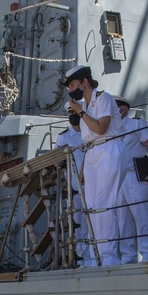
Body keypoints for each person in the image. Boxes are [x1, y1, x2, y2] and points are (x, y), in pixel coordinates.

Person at [64, 65, 126, 266]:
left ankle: (108, 256)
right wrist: (83, 170)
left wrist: (81, 112)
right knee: (91, 206)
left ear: (84, 82)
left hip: (108, 149)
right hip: (91, 154)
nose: (71, 90)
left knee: (104, 205)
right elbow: (85, 140)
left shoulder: (103, 98)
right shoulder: (85, 107)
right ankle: (94, 256)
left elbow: (100, 128)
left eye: (73, 84)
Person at [114, 96, 148, 264]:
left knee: (141, 215)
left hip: (135, 174)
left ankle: (147, 253)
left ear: (123, 108)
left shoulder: (136, 124)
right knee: (123, 218)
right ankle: (128, 255)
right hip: (119, 177)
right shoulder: (113, 128)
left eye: (115, 107)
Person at [54, 111, 92, 266]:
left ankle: (95, 257)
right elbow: (58, 162)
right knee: (79, 225)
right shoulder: (63, 137)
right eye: (71, 113)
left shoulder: (89, 133)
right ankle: (83, 260)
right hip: (75, 186)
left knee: (94, 221)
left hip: (93, 184)